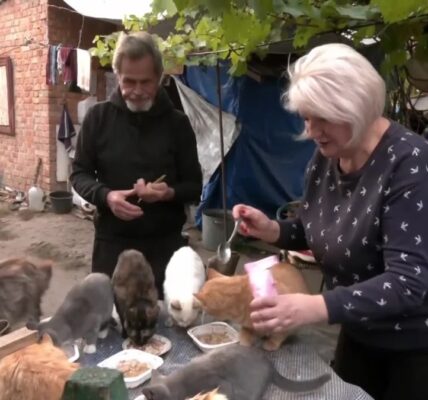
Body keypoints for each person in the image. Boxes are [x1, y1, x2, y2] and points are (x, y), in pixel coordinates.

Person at [233, 43, 428, 400]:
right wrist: (272, 229)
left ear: (356, 106)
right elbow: (313, 229)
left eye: (323, 117)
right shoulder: (327, 157)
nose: (312, 131)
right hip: (356, 337)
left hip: (413, 353)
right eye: (307, 118)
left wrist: (313, 307)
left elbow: (407, 283)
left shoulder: (411, 163)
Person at [70, 31, 202, 296]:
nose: (138, 91)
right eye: (129, 81)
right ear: (117, 75)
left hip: (165, 249)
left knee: (166, 326)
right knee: (110, 324)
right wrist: (106, 196)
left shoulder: (177, 124)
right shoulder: (98, 118)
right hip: (112, 247)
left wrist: (169, 193)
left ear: (160, 77)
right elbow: (79, 173)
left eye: (146, 82)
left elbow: (195, 186)